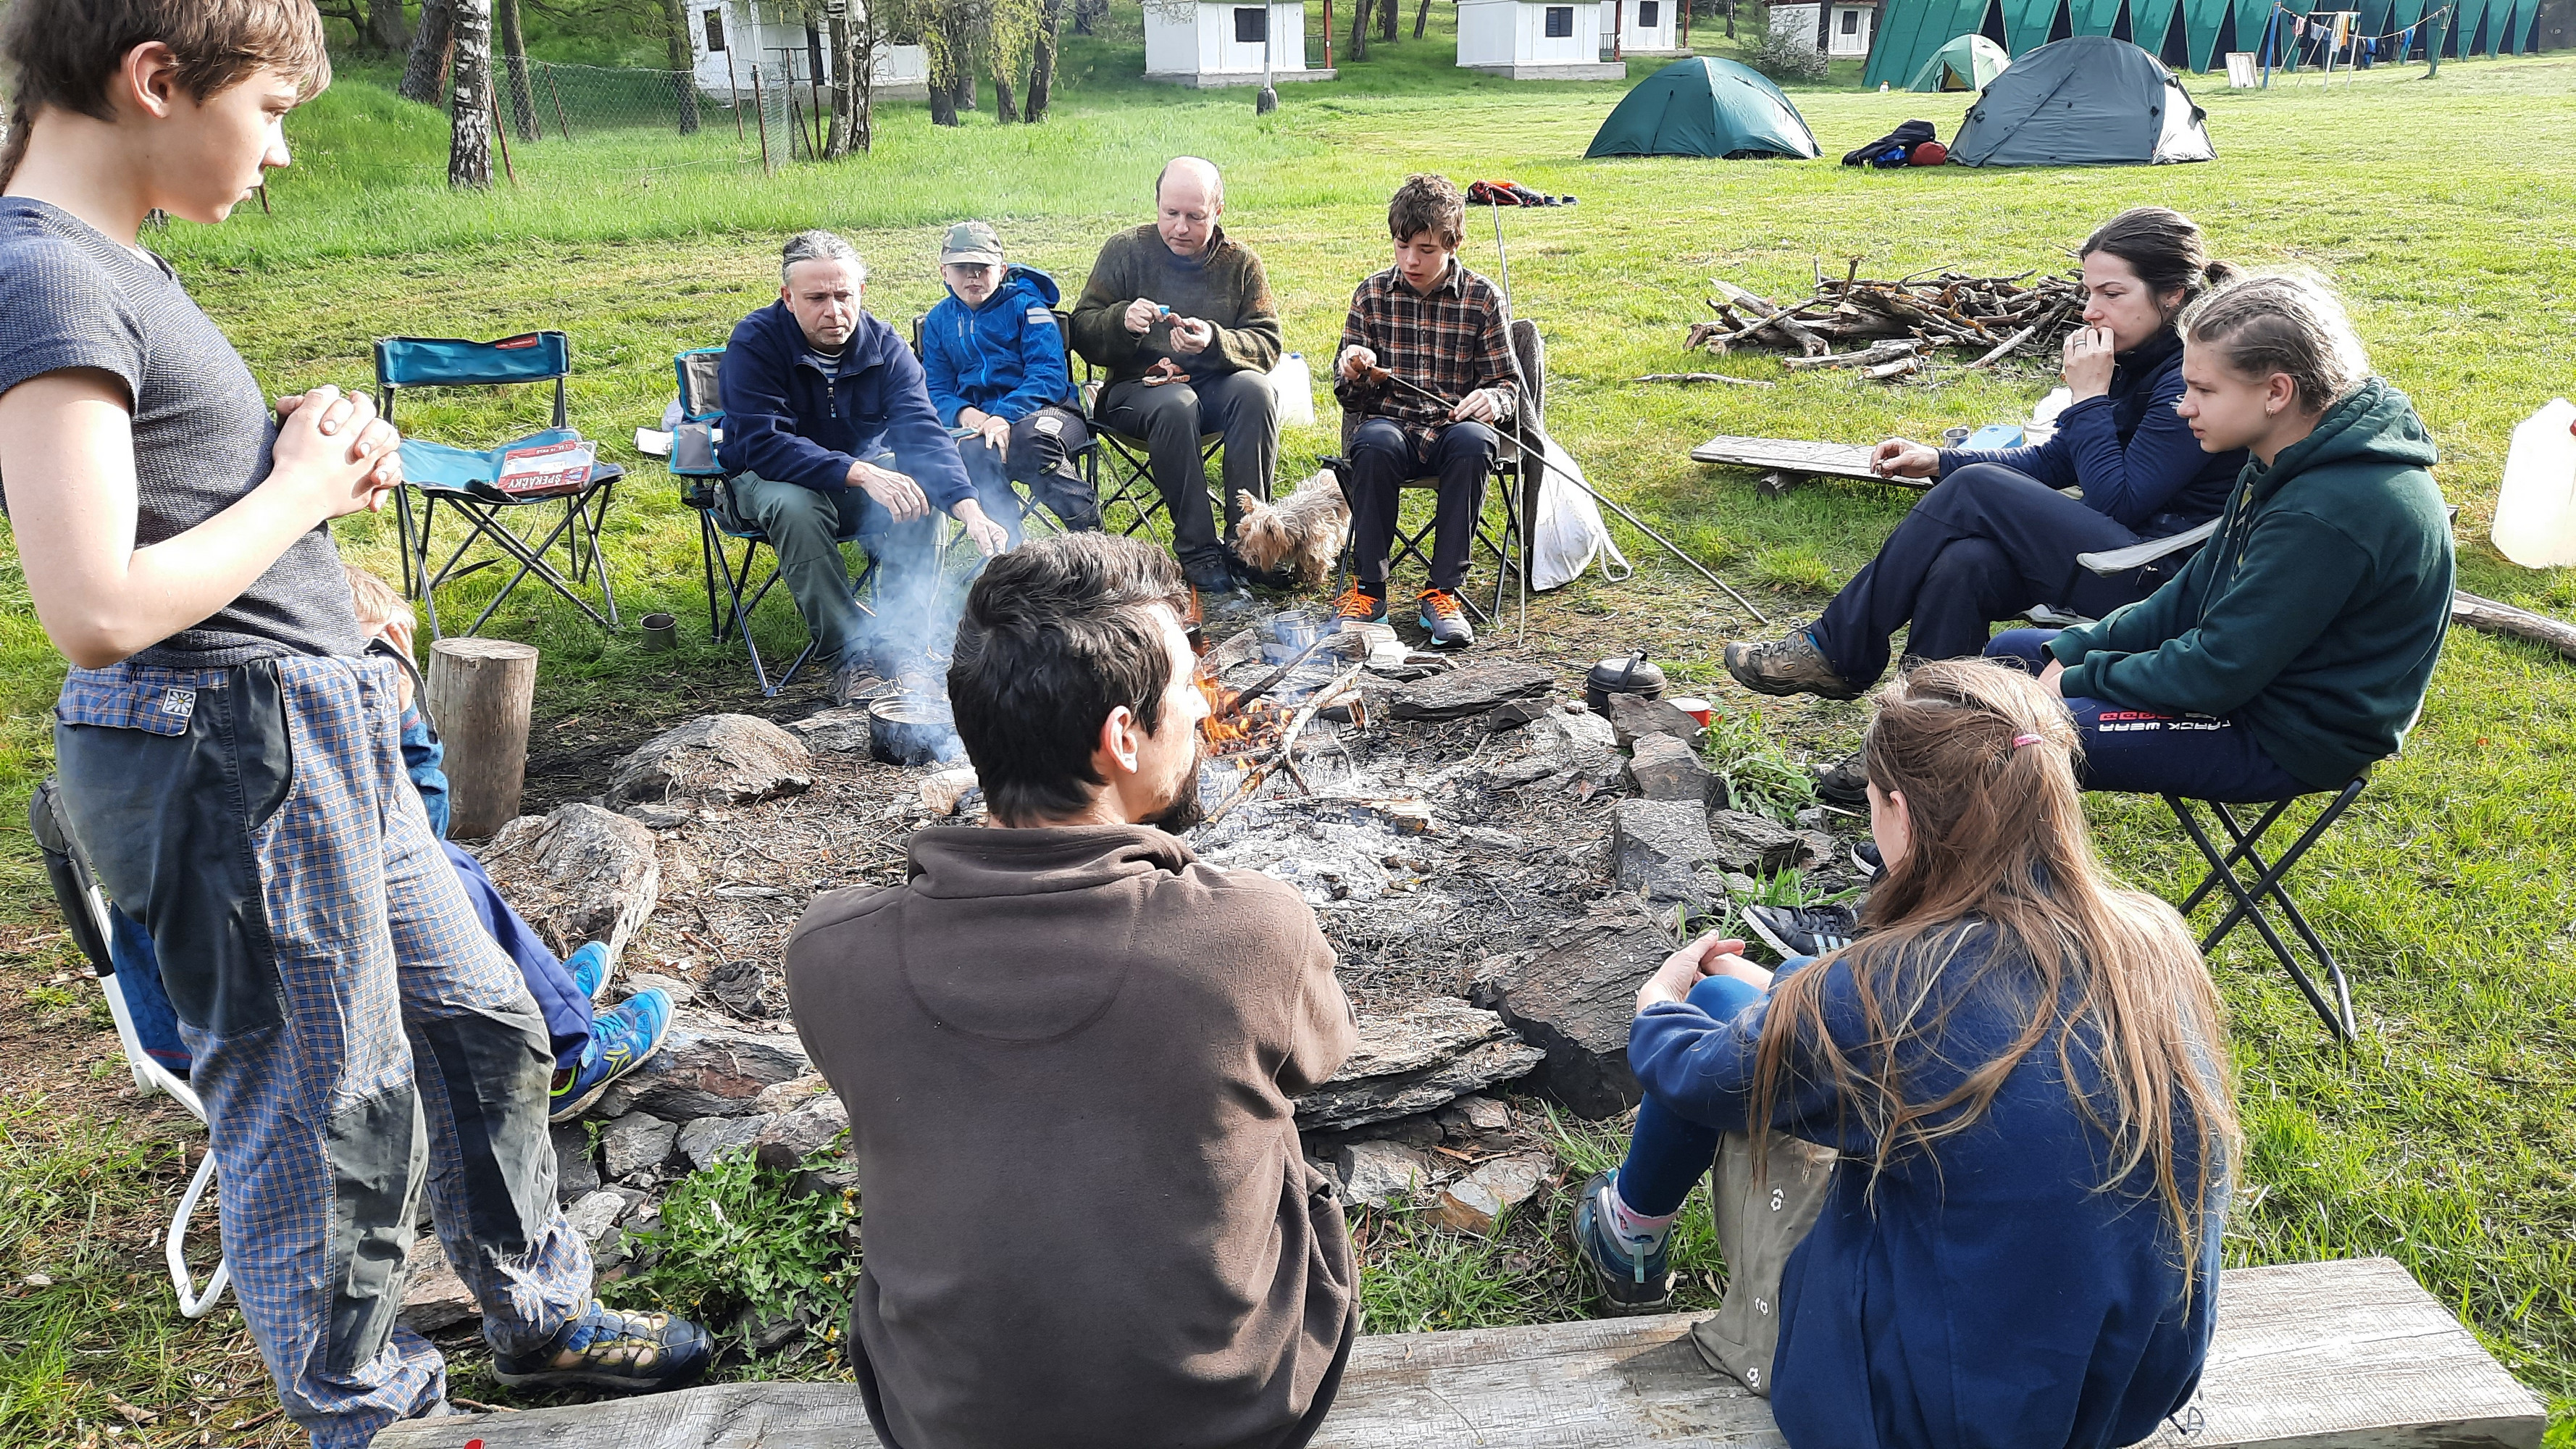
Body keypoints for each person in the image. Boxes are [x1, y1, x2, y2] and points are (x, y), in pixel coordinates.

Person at [0, 4, 708, 1442]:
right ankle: (371, 1418)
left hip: (315, 741)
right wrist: (299, 493)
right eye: (270, 112)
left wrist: (309, 460)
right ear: (155, 80)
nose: (281, 152)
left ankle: (540, 1316)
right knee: (330, 1117)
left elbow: (171, 498)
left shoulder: (114, 260)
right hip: (234, 760)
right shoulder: (45, 274)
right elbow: (95, 604)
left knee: (487, 1025)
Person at [783, 532, 1360, 1449]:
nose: (1203, 707)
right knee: (1274, 1124)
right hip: (1230, 1415)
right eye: (1187, 686)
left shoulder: (830, 951)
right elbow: (1322, 1059)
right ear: (1121, 737)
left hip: (947, 1423)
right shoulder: (1257, 930)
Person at [1569, 660, 2239, 1449]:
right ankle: (1631, 1221)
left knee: (1715, 1015)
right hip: (2122, 1394)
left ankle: (1628, 1232)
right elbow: (1944, 1016)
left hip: (1925, 1419)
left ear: (1899, 810)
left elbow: (1702, 1075)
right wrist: (1787, 983)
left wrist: (1657, 1006)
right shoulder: (2156, 942)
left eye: (1871, 800)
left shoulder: (1893, 984)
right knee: (1741, 1002)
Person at [104, 567, 677, 1127]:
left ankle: (544, 994)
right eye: (372, 657)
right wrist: (403, 714)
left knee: (423, 874)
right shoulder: (286, 741)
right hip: (279, 1031)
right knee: (446, 871)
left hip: (193, 1026)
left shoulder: (193, 748)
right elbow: (415, 838)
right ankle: (566, 1058)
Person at [1723, 207, 2246, 803]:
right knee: (1963, 565)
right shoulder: (2134, 359)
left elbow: (2118, 501)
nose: (2090, 310)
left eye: (2112, 293)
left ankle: (1837, 649)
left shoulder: (2187, 379)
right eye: (2088, 292)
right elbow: (2059, 462)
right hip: (2119, 558)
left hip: (2163, 582)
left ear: (2172, 295)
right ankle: (1908, 749)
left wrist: (2088, 398)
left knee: (1977, 492)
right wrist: (1940, 461)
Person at [1986, 272, 2454, 802]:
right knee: (2009, 656)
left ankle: (1986, 853)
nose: (2184, 406)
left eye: (2204, 390)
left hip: (2288, 735)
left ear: (2277, 392)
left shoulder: (2329, 510)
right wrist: (2080, 648)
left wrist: (2078, 679)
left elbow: (2216, 673)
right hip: (2255, 690)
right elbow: (2189, 594)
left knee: (2015, 739)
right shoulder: (2285, 458)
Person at [719, 229, 1010, 705]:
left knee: (918, 489)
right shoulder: (756, 341)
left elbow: (922, 434)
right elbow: (762, 443)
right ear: (788, 298)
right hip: (768, 479)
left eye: (843, 296)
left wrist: (970, 509)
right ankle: (849, 656)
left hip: (854, 481)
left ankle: (904, 646)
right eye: (816, 299)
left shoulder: (884, 345)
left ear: (861, 292)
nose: (833, 311)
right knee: (796, 506)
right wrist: (861, 472)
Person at [1070, 156, 1285, 610]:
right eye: (1171, 214)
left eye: (1195, 216)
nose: (1181, 228)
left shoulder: (1241, 264)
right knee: (1176, 402)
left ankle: (1248, 545)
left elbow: (1267, 343)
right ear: (1157, 205)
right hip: (1136, 392)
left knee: (1256, 392)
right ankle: (1199, 553)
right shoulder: (1125, 251)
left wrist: (1215, 341)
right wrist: (1121, 321)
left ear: (1218, 211)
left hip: (1215, 388)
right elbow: (1082, 330)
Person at [1331, 173, 1520, 650]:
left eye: (1426, 249)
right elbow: (1348, 397)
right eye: (1402, 246)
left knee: (1476, 443)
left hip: (1453, 430)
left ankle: (1442, 593)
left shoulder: (1482, 298)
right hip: (1390, 428)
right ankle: (1369, 591)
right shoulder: (1371, 295)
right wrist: (1354, 371)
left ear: (1454, 244)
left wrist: (1492, 400)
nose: (1411, 260)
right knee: (1372, 443)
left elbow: (1508, 386)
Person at [919, 219, 1100, 546]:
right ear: (944, 271)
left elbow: (1048, 376)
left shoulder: (1029, 308)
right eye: (962, 268)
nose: (973, 276)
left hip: (1051, 411)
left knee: (1033, 440)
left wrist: (1003, 416)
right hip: (980, 421)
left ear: (1001, 270)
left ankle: (1091, 541)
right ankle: (1013, 553)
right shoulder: (937, 321)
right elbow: (935, 389)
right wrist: (967, 415)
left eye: (983, 268)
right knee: (972, 450)